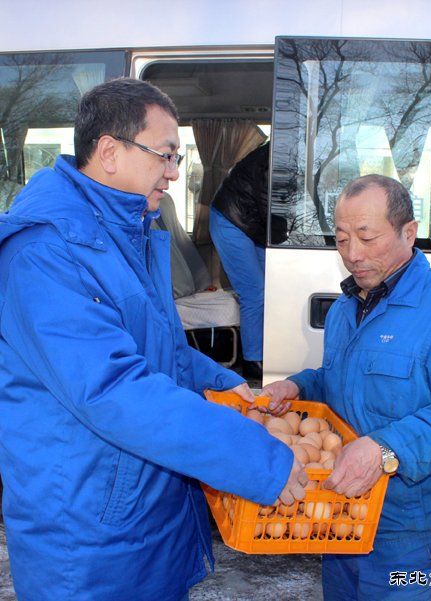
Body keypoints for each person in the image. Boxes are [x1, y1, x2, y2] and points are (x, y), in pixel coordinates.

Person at [0, 78, 308, 601]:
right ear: (109, 152)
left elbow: (150, 345)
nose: (174, 172)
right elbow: (115, 390)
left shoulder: (124, 231)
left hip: (141, 514)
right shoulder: (45, 253)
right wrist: (254, 457)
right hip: (89, 536)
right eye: (165, 155)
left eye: (178, 157)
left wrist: (216, 379)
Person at [262, 174, 431, 600]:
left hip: (416, 544)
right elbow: (340, 381)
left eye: (367, 237)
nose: (353, 254)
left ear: (409, 232)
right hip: (341, 526)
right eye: (341, 239)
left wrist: (386, 450)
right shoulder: (345, 308)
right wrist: (299, 387)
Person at [209, 141, 287, 381]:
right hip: (231, 218)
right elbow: (271, 205)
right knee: (255, 291)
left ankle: (269, 351)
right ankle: (253, 362)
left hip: (253, 224)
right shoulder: (278, 156)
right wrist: (287, 239)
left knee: (273, 288)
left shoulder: (291, 153)